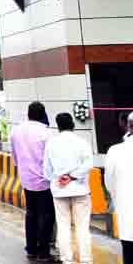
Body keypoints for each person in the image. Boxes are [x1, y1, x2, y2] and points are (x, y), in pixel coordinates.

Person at [43, 113, 93, 264]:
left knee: (63, 227)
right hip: (80, 190)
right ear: (72, 124)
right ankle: (86, 260)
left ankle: (67, 260)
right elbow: (88, 164)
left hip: (59, 190)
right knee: (82, 228)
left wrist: (59, 179)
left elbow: (46, 170)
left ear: (58, 126)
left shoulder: (51, 143)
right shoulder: (81, 142)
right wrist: (72, 177)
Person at [10, 102, 57, 262]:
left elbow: (14, 156)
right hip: (44, 181)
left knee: (31, 214)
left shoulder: (16, 130)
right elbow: (52, 158)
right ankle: (43, 252)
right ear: (43, 114)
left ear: (28, 113)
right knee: (47, 216)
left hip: (26, 180)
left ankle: (31, 248)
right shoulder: (47, 133)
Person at [106, 120, 133, 262]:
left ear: (128, 126)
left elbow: (109, 182)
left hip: (127, 210)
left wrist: (117, 198)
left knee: (129, 252)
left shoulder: (115, 150)